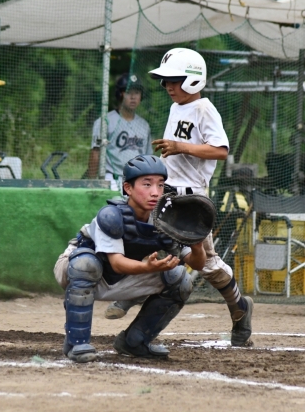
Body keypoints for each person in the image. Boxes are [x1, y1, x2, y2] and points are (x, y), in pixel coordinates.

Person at [105, 48, 254, 348]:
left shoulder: (204, 109)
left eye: (174, 80)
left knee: (206, 265)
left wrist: (180, 147)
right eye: (165, 81)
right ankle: (131, 294)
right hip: (166, 192)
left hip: (191, 201)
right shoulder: (177, 108)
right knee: (140, 236)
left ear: (193, 80)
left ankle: (240, 308)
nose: (168, 86)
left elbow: (220, 150)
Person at [54, 154, 206, 362]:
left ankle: (135, 342)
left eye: (160, 185)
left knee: (181, 280)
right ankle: (76, 342)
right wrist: (148, 267)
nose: (155, 192)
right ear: (128, 188)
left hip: (122, 276)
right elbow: (117, 263)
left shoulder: (167, 219)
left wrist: (197, 245)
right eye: (147, 184)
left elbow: (197, 264)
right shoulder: (112, 215)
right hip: (76, 270)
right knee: (85, 265)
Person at [86, 73, 152, 191]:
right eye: (128, 92)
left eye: (137, 92)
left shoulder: (144, 125)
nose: (133, 97)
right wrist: (91, 183)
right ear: (120, 94)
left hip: (138, 180)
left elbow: (148, 158)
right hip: (112, 178)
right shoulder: (105, 121)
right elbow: (95, 152)